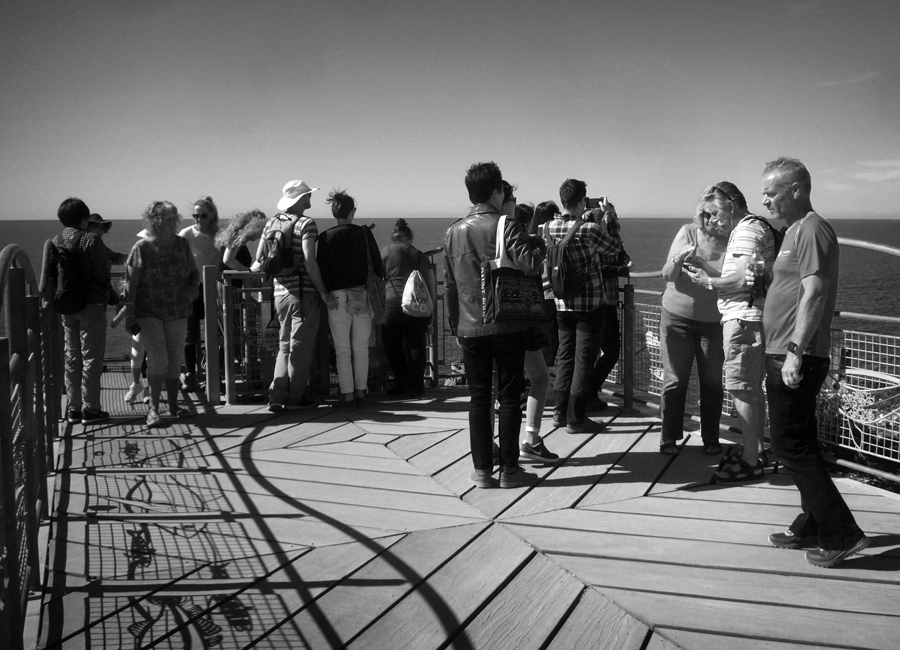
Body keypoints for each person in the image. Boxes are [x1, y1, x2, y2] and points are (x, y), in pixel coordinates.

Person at [755, 156, 869, 567]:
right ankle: (811, 523)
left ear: (796, 190)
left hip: (795, 354)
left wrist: (794, 352)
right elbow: (793, 286)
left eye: (770, 192)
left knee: (789, 443)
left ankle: (842, 533)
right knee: (799, 439)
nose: (764, 199)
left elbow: (815, 292)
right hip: (784, 350)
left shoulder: (814, 228)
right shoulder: (792, 233)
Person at [443, 161, 545, 489]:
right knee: (510, 397)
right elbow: (531, 265)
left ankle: (483, 471)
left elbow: (450, 287)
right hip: (505, 325)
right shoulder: (506, 224)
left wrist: (455, 325)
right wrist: (538, 242)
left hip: (469, 328)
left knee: (478, 399)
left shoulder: (452, 232)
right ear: (498, 191)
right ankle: (510, 471)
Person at [686, 182, 779, 480]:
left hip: (743, 321)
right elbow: (744, 276)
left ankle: (750, 460)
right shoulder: (756, 227)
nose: (713, 220)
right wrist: (708, 271)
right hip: (753, 318)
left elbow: (739, 281)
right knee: (751, 389)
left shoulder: (746, 230)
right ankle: (757, 451)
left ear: (732, 203)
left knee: (741, 388)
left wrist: (709, 282)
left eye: (715, 212)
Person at [251, 180, 336, 411]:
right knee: (301, 348)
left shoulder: (271, 223)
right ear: (301, 199)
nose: (310, 199)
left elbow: (258, 261)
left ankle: (276, 397)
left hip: (280, 294)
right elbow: (310, 260)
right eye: (308, 195)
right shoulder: (307, 224)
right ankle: (295, 399)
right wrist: (323, 292)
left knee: (284, 346)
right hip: (303, 293)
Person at [546, 179, 622, 434]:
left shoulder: (545, 227)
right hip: (589, 304)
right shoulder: (588, 229)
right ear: (581, 201)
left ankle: (559, 412)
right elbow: (615, 250)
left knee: (565, 357)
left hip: (561, 302)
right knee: (583, 360)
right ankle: (577, 417)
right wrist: (608, 216)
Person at [658, 203, 731, 455]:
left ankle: (711, 438)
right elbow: (667, 274)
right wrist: (678, 259)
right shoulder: (688, 233)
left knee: (712, 382)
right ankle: (668, 438)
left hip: (713, 323)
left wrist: (706, 270)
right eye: (707, 213)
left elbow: (733, 281)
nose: (711, 219)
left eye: (717, 214)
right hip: (676, 317)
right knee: (675, 380)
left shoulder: (733, 241)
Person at [125, 201, 199, 427]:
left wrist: (194, 288)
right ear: (155, 221)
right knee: (159, 360)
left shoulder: (182, 244)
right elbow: (131, 284)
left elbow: (194, 273)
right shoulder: (141, 248)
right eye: (169, 218)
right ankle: (154, 409)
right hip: (150, 312)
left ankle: (175, 407)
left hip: (178, 310)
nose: (174, 221)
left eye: (175, 217)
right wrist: (130, 314)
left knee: (175, 360)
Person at [316, 190, 384, 408]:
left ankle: (346, 394)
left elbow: (322, 271)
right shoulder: (364, 234)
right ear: (352, 212)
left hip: (335, 297)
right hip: (361, 295)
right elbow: (379, 268)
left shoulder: (325, 238)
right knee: (360, 347)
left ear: (334, 212)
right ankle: (361, 392)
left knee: (342, 348)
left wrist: (325, 295)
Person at [52, 198, 112, 425]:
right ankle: (91, 409)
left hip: (66, 306)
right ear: (84, 218)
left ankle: (73, 409)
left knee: (72, 357)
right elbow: (101, 274)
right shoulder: (91, 239)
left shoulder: (56, 240)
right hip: (91, 305)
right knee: (91, 358)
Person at [509, 198, 558, 464]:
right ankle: (531, 441)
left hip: (497, 322)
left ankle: (496, 451)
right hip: (524, 322)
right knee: (539, 378)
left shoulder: (496, 243)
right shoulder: (528, 245)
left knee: (508, 385)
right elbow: (535, 271)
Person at [381, 218, 435, 398]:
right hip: (417, 305)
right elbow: (431, 284)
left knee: (392, 344)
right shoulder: (421, 255)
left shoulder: (387, 251)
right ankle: (416, 386)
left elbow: (378, 277)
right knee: (417, 346)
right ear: (410, 237)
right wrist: (431, 310)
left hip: (394, 304)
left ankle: (400, 381)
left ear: (394, 237)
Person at [588, 206, 631, 411]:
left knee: (604, 350)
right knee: (608, 350)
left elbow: (623, 255)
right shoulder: (592, 238)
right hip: (600, 302)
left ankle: (587, 392)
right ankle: (588, 392)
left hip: (607, 302)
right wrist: (622, 269)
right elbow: (599, 268)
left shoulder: (609, 239)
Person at [179, 195, 223, 392]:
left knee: (215, 334)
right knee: (190, 335)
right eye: (195, 215)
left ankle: (215, 375)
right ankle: (190, 375)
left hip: (214, 288)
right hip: (192, 287)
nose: (198, 220)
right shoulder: (185, 234)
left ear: (212, 214)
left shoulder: (220, 235)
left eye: (203, 215)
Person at [528, 200, 561, 366]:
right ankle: (545, 376)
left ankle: (536, 376)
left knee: (537, 338)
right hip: (551, 293)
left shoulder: (530, 238)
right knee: (551, 340)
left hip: (533, 294)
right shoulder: (553, 238)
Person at [216, 209, 268, 274]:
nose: (261, 234)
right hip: (229, 282)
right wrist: (248, 272)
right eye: (261, 228)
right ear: (253, 227)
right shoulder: (236, 239)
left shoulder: (236, 238)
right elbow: (227, 260)